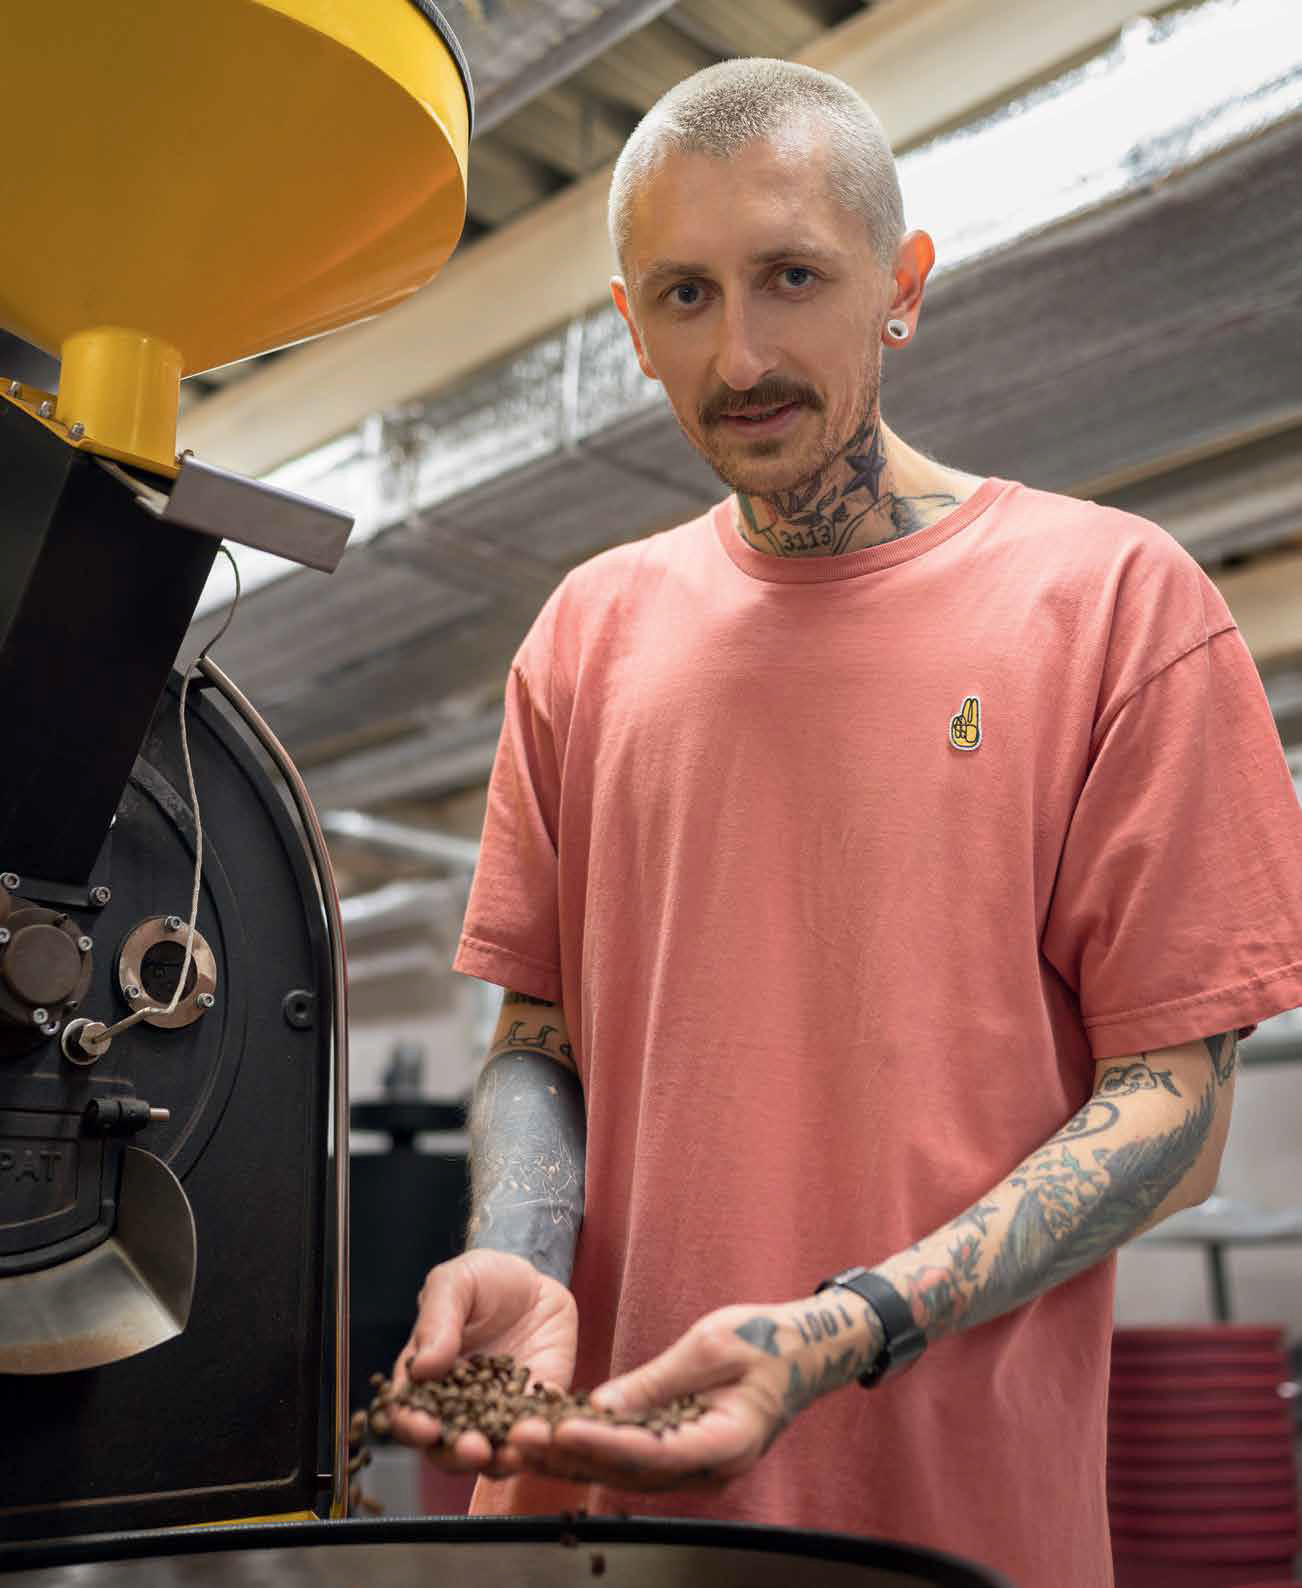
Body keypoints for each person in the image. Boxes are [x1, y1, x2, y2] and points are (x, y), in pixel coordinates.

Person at [388, 57, 1302, 1587]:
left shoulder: (1113, 606)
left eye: (792, 277)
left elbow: (1174, 1108)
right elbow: (535, 1044)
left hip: (942, 1523)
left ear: (902, 287)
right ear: (631, 329)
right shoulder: (585, 633)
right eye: (684, 297)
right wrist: (516, 1250)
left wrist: (846, 1327)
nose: (739, 353)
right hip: (580, 1507)